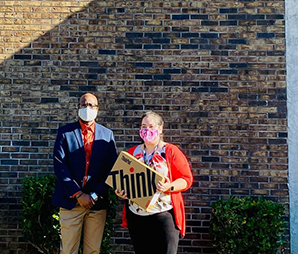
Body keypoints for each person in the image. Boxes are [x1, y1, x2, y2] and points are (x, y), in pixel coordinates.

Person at [115, 111, 193, 254]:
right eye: (144, 126)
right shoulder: (132, 152)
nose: (147, 130)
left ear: (160, 128)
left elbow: (186, 179)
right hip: (137, 217)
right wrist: (122, 192)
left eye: (151, 126)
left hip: (163, 215)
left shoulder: (171, 151)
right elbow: (124, 181)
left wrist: (170, 186)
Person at [52, 93, 118, 254]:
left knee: (93, 250)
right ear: (78, 108)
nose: (87, 108)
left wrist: (95, 195)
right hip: (71, 202)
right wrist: (78, 194)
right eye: (84, 104)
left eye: (91, 105)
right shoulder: (65, 133)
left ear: (97, 109)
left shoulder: (107, 135)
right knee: (68, 250)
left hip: (97, 204)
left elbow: (112, 169)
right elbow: (59, 165)